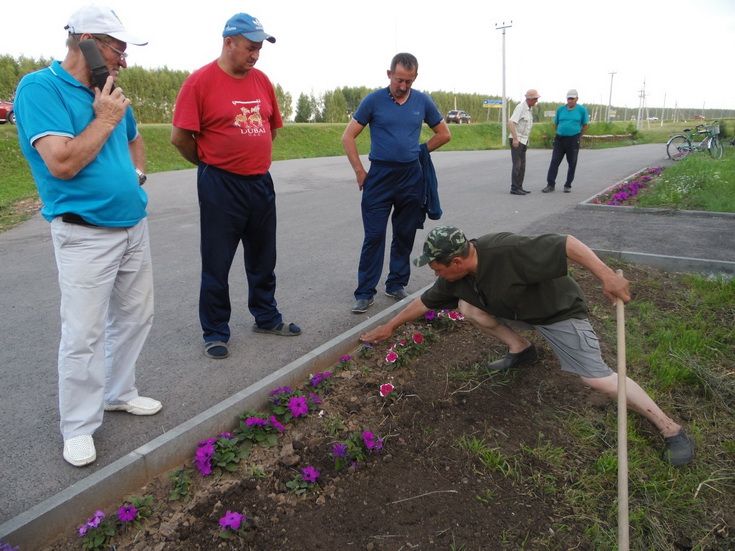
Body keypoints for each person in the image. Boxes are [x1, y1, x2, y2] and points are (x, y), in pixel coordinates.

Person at [360, 226, 695, 466]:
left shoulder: (506, 250)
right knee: (468, 308)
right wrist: (389, 326)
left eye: (436, 266)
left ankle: (670, 429)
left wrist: (606, 275)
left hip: (557, 314)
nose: (434, 272)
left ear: (457, 261)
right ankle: (522, 349)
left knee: (596, 379)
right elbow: (426, 302)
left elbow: (566, 243)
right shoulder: (457, 276)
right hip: (518, 310)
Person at [14, 5, 162, 467]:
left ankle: (119, 392)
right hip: (84, 234)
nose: (123, 59)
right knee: (83, 334)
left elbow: (134, 136)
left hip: (132, 226)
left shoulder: (110, 94)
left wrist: (136, 173)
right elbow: (61, 162)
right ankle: (78, 426)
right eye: (118, 48)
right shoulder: (40, 88)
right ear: (88, 41)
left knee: (136, 317)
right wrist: (102, 118)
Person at [171, 12, 301, 360]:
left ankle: (266, 316)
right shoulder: (199, 82)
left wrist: (250, 151)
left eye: (259, 48)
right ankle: (215, 331)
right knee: (218, 259)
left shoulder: (261, 81)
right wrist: (209, 161)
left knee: (263, 256)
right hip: (220, 184)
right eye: (250, 47)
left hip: (259, 182)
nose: (255, 54)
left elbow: (270, 127)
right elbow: (180, 137)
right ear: (229, 42)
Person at [342, 53, 451, 314]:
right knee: (374, 235)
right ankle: (365, 292)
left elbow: (444, 134)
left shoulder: (422, 101)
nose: (403, 86)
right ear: (389, 73)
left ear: (415, 78)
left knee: (405, 234)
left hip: (411, 177)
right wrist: (359, 171)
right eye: (399, 80)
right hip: (379, 177)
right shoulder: (373, 101)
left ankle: (396, 283)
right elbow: (348, 136)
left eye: (409, 82)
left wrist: (420, 151)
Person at [543, 89, 590, 193]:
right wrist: (559, 132)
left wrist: (579, 136)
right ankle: (550, 184)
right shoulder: (560, 110)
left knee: (572, 163)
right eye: (568, 98)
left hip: (573, 139)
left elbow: (585, 124)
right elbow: (555, 123)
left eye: (572, 99)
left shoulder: (581, 110)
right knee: (554, 161)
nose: (570, 101)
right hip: (560, 139)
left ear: (577, 99)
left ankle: (568, 185)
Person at [507, 89, 540, 195]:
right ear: (529, 99)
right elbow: (511, 122)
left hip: (524, 140)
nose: (536, 101)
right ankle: (514, 188)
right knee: (517, 164)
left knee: (522, 165)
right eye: (535, 99)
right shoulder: (520, 107)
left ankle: (519, 187)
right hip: (517, 139)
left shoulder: (529, 109)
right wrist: (515, 139)